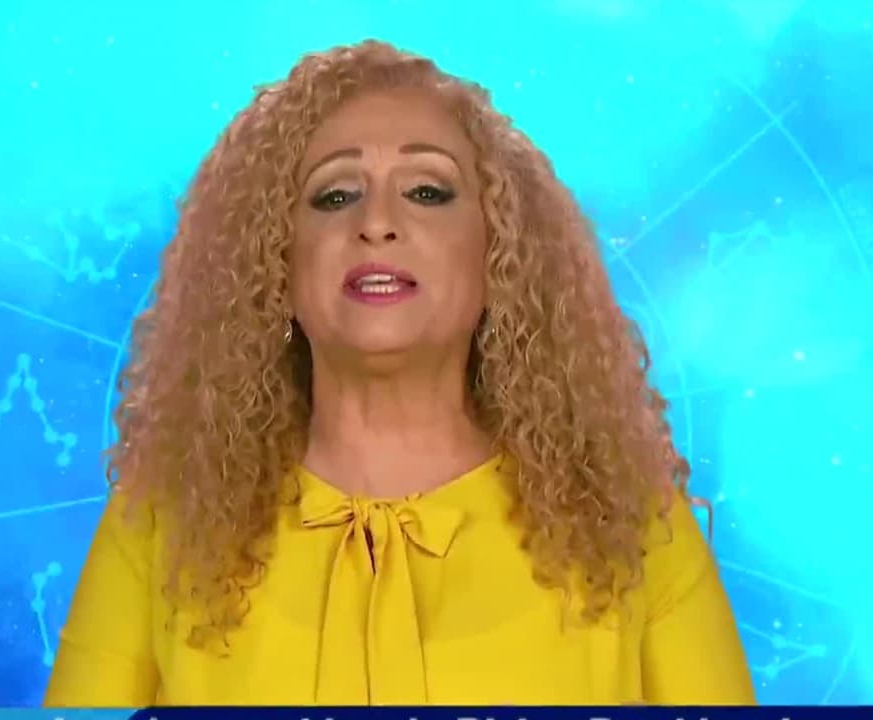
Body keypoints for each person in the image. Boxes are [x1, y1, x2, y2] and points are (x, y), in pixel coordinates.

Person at [43, 40, 755, 707]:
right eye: (334, 195)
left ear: (500, 253)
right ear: (273, 264)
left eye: (427, 191)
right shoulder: (161, 528)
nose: (377, 222)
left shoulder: (631, 529)